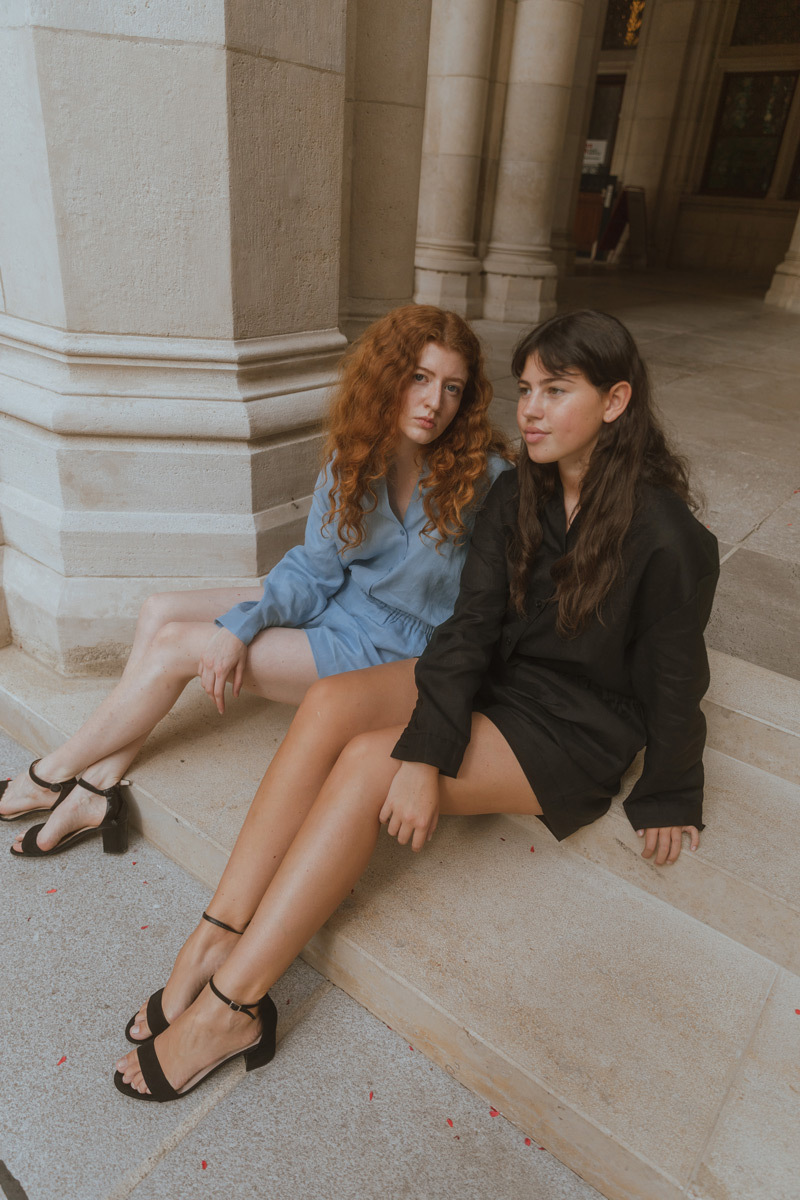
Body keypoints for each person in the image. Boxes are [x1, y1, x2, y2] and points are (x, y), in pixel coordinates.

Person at [114, 309, 719, 1102]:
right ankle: (213, 936)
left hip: (571, 726)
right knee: (332, 701)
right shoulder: (520, 497)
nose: (531, 409)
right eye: (528, 389)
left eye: (557, 391)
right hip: (496, 678)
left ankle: (233, 1007)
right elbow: (468, 630)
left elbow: (677, 678)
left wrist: (670, 789)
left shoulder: (670, 535)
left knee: (371, 763)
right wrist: (434, 738)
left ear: (614, 402)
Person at [1, 305, 508, 858]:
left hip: (396, 651)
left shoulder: (484, 479)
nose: (435, 402)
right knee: (159, 610)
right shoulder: (355, 454)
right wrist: (247, 622)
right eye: (420, 378)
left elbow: (494, 605)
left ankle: (50, 773)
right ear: (389, 376)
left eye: (453, 388)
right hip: (339, 603)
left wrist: (239, 628)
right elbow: (316, 570)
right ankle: (98, 790)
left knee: (176, 648)